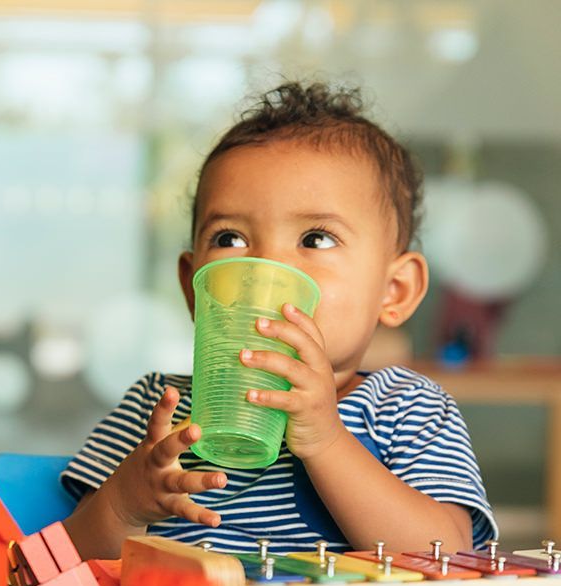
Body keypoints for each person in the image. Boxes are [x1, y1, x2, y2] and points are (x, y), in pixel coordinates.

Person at [61, 80, 497, 561]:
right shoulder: (156, 407)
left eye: (315, 239)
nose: (265, 271)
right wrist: (124, 505)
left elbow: (449, 556)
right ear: (193, 286)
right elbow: (56, 568)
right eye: (229, 239)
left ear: (395, 291)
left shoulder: (407, 409)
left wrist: (327, 441)